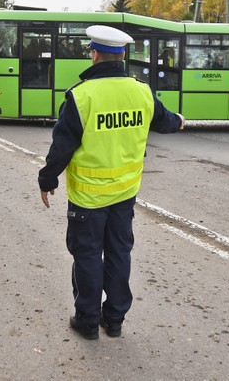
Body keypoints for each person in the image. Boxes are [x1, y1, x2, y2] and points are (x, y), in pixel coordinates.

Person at [38, 25, 184, 340]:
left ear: (94, 54)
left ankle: (88, 322)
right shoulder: (141, 91)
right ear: (122, 56)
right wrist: (180, 121)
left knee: (88, 255)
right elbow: (164, 120)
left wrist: (47, 179)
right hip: (125, 194)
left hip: (89, 198)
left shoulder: (81, 95)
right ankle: (114, 319)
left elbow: (61, 146)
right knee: (119, 253)